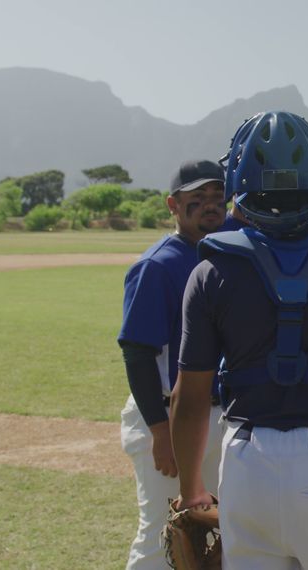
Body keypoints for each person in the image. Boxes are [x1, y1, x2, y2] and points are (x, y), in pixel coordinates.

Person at [170, 111, 308, 569]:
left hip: (245, 463)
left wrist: (191, 490)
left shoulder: (209, 270)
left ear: (237, 179)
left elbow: (189, 398)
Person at [117, 159, 229, 570]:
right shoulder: (156, 266)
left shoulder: (230, 252)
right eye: (196, 200)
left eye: (217, 198)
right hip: (168, 414)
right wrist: (160, 433)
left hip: (218, 415)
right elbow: (137, 352)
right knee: (164, 536)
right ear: (172, 205)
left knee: (218, 534)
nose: (210, 207)